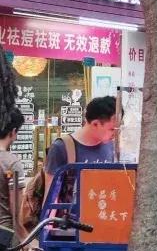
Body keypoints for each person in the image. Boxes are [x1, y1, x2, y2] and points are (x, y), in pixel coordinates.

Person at [23, 97, 118, 231]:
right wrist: (47, 233)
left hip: (103, 222)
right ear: (96, 124)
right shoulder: (62, 147)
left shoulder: (112, 147)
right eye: (112, 129)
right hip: (70, 228)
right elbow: (51, 195)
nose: (115, 133)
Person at [0, 110, 25, 234]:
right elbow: (16, 208)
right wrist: (22, 235)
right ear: (13, 132)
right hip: (5, 234)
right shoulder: (11, 163)